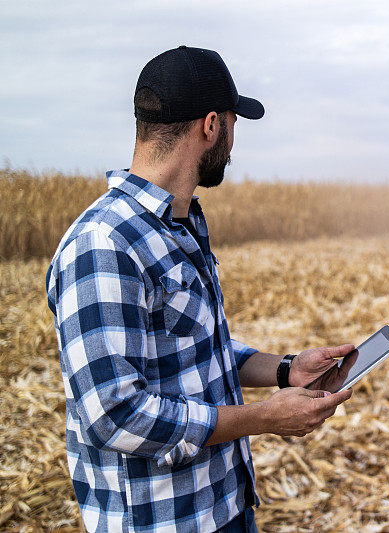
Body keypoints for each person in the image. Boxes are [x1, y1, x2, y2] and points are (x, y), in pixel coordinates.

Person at [45, 46, 354, 533]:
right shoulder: (104, 243)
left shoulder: (178, 226)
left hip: (223, 505)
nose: (233, 143)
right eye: (233, 124)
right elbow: (116, 414)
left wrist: (286, 369)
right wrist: (263, 418)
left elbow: (192, 353)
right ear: (211, 125)